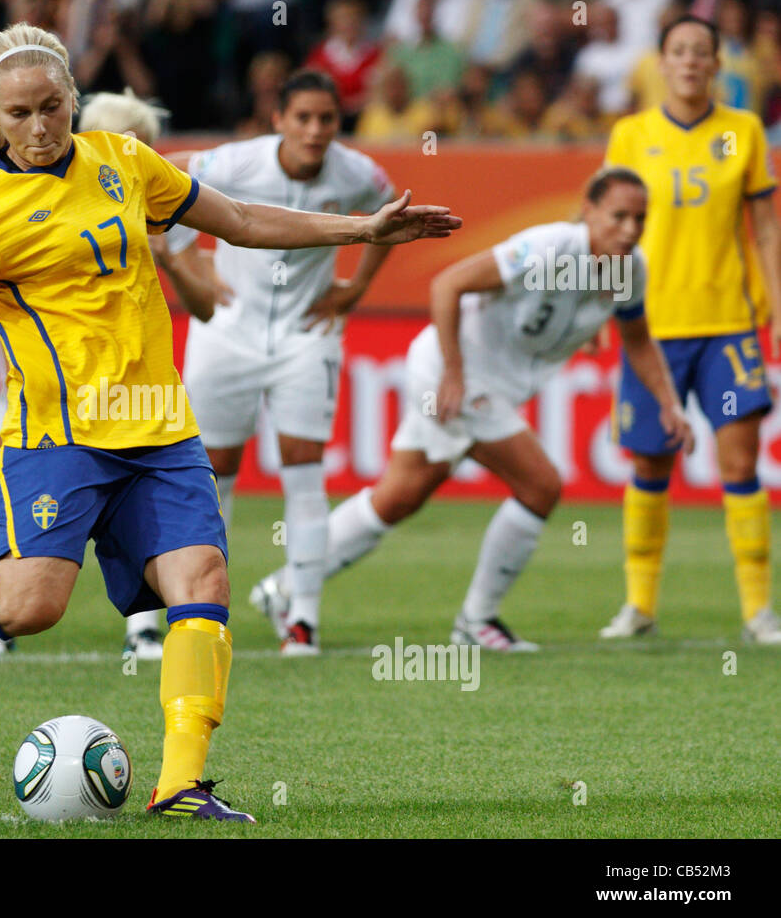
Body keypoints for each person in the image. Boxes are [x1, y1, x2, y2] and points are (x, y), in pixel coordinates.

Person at [0, 23, 459, 823]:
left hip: (158, 427)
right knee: (26, 609)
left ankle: (181, 783)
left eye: (54, 107)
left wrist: (361, 230)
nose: (42, 127)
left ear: (74, 101)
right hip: (58, 439)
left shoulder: (122, 162)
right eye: (20, 113)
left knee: (204, 582)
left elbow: (244, 221)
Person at [251, 169, 693, 651]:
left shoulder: (630, 269)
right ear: (589, 211)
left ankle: (284, 588)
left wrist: (669, 405)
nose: (630, 229)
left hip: (485, 385)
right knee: (541, 483)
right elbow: (449, 285)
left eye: (640, 219)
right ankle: (476, 621)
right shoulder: (549, 249)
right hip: (452, 375)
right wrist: (454, 375)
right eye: (619, 216)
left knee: (398, 497)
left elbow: (639, 342)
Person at [0, 86, 228, 661]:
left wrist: (165, 257)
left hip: (144, 410)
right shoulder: (6, 201)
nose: (130, 151)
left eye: (142, 143)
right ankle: (1, 608)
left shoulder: (155, 196)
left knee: (199, 572)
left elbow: (209, 298)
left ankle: (143, 629)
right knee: (28, 582)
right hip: (57, 401)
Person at [167, 69, 397, 655]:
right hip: (226, 329)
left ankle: (304, 620)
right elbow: (162, 192)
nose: (316, 131)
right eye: (304, 118)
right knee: (214, 469)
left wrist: (353, 290)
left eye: (328, 119)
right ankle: (202, 610)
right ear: (278, 120)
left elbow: (388, 220)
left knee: (304, 463)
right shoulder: (234, 164)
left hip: (304, 332)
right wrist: (190, 266)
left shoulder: (359, 174)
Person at [602, 15, 781, 644]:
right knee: (650, 462)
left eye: (700, 52)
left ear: (716, 64)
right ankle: (640, 605)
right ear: (660, 62)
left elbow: (763, 228)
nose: (689, 62)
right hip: (651, 327)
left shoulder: (744, 132)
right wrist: (603, 303)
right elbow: (607, 231)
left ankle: (759, 611)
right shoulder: (631, 135)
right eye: (678, 51)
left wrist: (777, 308)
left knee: (740, 461)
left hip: (729, 325)